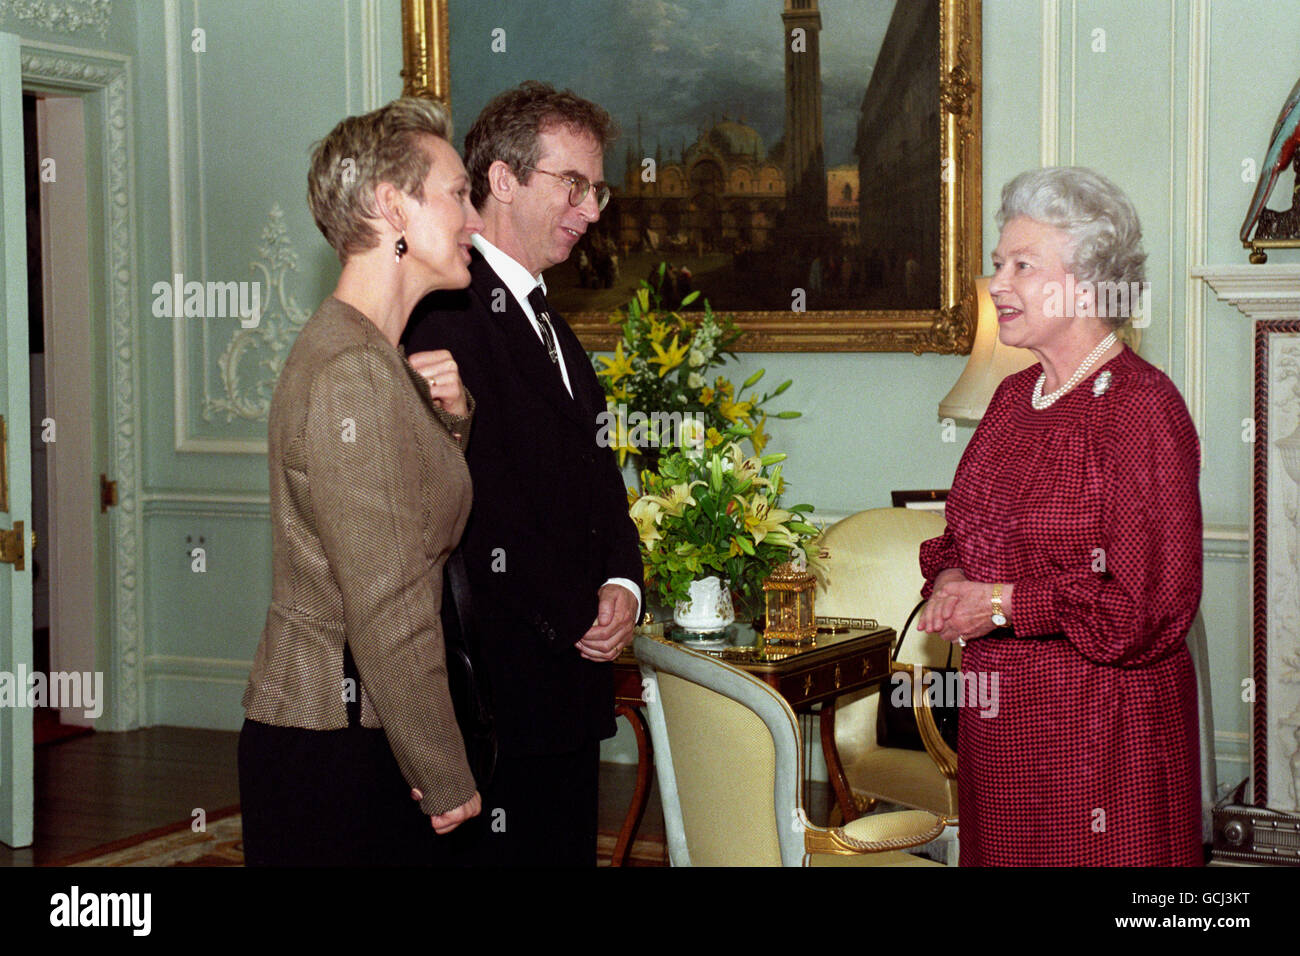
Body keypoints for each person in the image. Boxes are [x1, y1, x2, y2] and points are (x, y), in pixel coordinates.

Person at [917, 166, 1202, 867]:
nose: (997, 284)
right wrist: (954, 579)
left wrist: (1005, 603)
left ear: (1086, 284)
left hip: (1100, 739)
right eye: (996, 264)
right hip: (1004, 735)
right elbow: (963, 533)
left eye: (1022, 265)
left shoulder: (1140, 407)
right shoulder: (1015, 398)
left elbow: (1148, 608)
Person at [238, 97, 485, 865]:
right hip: (337, 747)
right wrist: (445, 774)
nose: (474, 219)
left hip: (358, 733)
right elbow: (387, 604)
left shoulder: (371, 355)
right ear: (392, 206)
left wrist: (451, 421)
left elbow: (405, 515)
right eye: (457, 193)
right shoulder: (353, 370)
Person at [403, 81, 643, 866]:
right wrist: (576, 609)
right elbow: (478, 506)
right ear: (502, 179)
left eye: (596, 188)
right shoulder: (447, 317)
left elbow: (598, 477)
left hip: (566, 690)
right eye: (573, 184)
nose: (592, 208)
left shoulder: (555, 328)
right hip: (497, 696)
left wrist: (623, 585)